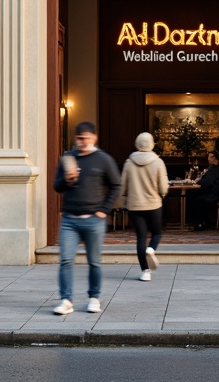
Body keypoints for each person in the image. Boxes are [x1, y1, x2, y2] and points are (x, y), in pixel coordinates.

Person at [51, 121, 121, 316]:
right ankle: (66, 300)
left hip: (94, 219)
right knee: (65, 260)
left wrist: (104, 210)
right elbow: (56, 187)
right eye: (79, 138)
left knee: (94, 261)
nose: (82, 142)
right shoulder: (68, 158)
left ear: (94, 138)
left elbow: (116, 185)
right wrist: (66, 179)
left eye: (86, 138)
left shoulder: (103, 159)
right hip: (69, 220)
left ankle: (94, 298)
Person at [120, 131, 168, 281]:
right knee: (157, 233)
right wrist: (162, 195)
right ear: (152, 144)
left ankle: (145, 271)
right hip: (153, 204)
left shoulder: (129, 162)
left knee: (141, 237)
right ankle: (151, 249)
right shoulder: (158, 162)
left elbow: (123, 187)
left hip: (135, 206)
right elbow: (163, 187)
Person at [188, 151, 219, 231]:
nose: (208, 159)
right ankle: (200, 222)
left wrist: (198, 180)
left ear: (215, 158)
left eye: (210, 157)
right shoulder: (212, 167)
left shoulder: (216, 169)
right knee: (193, 196)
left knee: (196, 200)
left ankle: (200, 223)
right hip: (212, 191)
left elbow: (207, 182)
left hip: (215, 194)